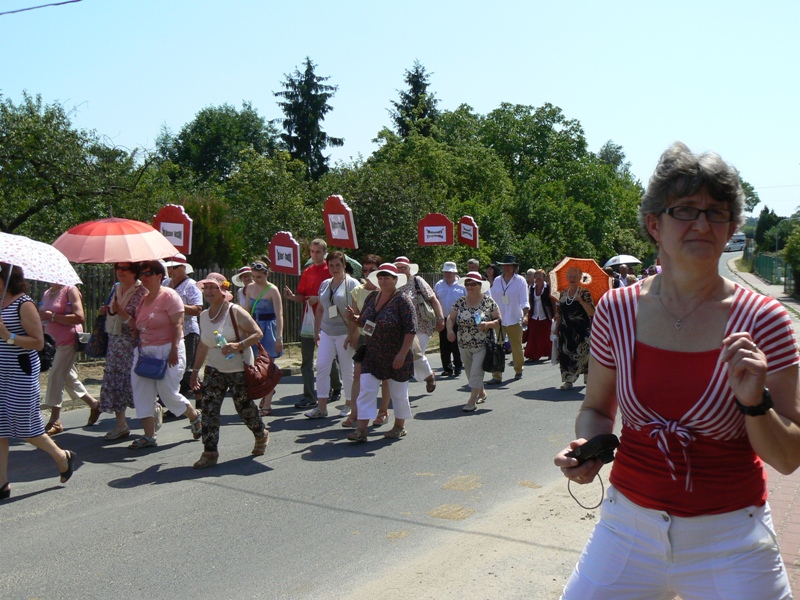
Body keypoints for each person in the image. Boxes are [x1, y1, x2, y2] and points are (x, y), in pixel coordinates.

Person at [554, 142, 800, 599]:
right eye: (685, 210)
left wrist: (755, 404)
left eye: (717, 212)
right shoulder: (616, 311)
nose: (702, 224)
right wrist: (590, 449)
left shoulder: (764, 320)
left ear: (731, 228)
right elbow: (596, 410)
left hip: (732, 538)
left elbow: (789, 457)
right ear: (654, 224)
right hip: (628, 526)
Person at [0, 263, 77, 501]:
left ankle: (62, 457)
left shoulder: (24, 304)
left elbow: (38, 342)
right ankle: (1, 484)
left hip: (20, 372)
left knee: (26, 427)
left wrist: (8, 336)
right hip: (1, 372)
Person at [189, 273, 269, 468]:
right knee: (209, 409)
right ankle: (209, 452)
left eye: (213, 287)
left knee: (244, 408)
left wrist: (237, 345)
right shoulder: (204, 316)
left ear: (223, 290)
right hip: (215, 369)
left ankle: (261, 434)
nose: (208, 291)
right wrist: (195, 371)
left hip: (239, 368)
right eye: (206, 287)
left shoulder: (235, 311)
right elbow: (203, 345)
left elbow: (257, 333)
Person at [128, 260, 201, 449]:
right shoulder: (143, 299)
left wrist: (174, 350)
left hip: (168, 349)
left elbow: (178, 324)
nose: (143, 277)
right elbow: (139, 325)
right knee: (142, 393)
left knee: (168, 393)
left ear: (159, 276)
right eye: (141, 274)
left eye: (148, 274)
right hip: (145, 351)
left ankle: (194, 415)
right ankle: (149, 436)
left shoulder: (170, 296)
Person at [345, 263, 416, 442]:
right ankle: (361, 429)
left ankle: (399, 426)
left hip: (396, 354)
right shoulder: (372, 297)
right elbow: (365, 322)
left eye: (387, 278)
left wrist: (402, 354)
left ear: (395, 280)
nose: (383, 281)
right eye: (381, 278)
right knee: (366, 389)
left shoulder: (403, 300)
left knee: (398, 392)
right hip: (373, 353)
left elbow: (410, 330)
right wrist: (354, 318)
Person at [284, 239, 342, 409]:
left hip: (327, 319)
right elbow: (302, 296)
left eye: (318, 251)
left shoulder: (330, 270)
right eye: (312, 251)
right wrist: (292, 297)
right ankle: (309, 395)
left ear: (324, 252)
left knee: (328, 358)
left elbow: (338, 293)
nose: (314, 255)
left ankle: (336, 386)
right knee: (307, 360)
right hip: (309, 321)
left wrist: (320, 298)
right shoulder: (307, 272)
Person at [38, 282, 101, 435]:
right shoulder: (47, 293)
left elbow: (79, 317)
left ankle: (55, 420)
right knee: (67, 377)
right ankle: (94, 404)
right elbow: (44, 319)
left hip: (68, 340)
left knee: (56, 376)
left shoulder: (70, 290)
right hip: (52, 342)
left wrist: (52, 316)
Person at [97, 262, 148, 440]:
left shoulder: (142, 292)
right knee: (115, 383)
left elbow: (141, 322)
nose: (120, 271)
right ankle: (121, 424)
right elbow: (112, 311)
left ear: (134, 272)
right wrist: (107, 311)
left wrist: (123, 314)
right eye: (118, 268)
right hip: (115, 342)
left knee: (135, 383)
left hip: (131, 344)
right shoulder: (116, 288)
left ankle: (151, 417)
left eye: (124, 268)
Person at [305, 251, 358, 419]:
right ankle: (321, 406)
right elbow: (321, 309)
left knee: (347, 369)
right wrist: (316, 332)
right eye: (331, 265)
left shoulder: (352, 283)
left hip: (344, 332)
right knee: (322, 367)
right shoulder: (325, 284)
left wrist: (352, 334)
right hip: (327, 331)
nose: (335, 268)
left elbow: (357, 311)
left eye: (338, 265)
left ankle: (349, 403)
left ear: (344, 265)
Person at [344, 255, 391, 428]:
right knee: (358, 375)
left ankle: (383, 411)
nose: (368, 273)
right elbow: (355, 318)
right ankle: (355, 413)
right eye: (365, 270)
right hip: (365, 338)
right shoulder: (358, 291)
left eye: (372, 270)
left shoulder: (386, 291)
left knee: (384, 377)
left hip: (384, 338)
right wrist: (351, 335)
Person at [446, 272, 501, 411]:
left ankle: (471, 401)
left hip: (482, 344)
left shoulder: (488, 301)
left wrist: (488, 324)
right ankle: (481, 392)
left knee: (476, 372)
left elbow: (499, 320)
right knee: (470, 372)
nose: (470, 286)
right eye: (467, 284)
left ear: (480, 285)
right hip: (463, 343)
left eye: (473, 284)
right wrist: (450, 330)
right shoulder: (460, 301)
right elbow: (451, 318)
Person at [395, 256, 445, 393]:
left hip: (421, 325)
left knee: (413, 355)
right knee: (409, 357)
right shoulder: (393, 282)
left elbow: (433, 299)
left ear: (409, 269)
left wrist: (440, 317)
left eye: (403, 267)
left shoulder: (417, 280)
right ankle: (428, 375)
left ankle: (403, 392)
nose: (400, 270)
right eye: (398, 268)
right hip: (401, 328)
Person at [245, 258, 284, 416]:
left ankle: (267, 404)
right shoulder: (249, 288)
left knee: (268, 367)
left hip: (269, 329)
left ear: (267, 274)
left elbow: (279, 315)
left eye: (259, 277)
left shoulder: (272, 290)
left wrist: (279, 337)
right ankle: (266, 391)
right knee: (254, 366)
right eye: (254, 276)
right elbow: (246, 311)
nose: (256, 280)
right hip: (254, 328)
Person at [163, 254, 203, 404]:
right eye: (168, 268)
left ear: (183, 268)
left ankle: (186, 401)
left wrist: (177, 305)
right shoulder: (165, 283)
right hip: (169, 331)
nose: (170, 270)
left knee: (186, 369)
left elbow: (198, 309)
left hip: (188, 332)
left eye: (174, 267)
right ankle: (195, 397)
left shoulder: (191, 285)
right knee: (173, 368)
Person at [488, 254, 529, 383]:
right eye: (504, 266)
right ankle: (496, 375)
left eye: (509, 266)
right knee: (497, 346)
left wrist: (526, 315)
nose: (506, 268)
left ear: (514, 267)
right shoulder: (497, 280)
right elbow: (492, 298)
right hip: (499, 319)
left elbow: (524, 300)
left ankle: (518, 369)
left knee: (516, 347)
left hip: (515, 318)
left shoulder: (520, 280)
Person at [555, 266, 595, 390]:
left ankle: (587, 375)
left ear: (579, 278)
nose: (572, 279)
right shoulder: (563, 294)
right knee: (565, 355)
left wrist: (581, 301)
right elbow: (559, 313)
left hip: (581, 330)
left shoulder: (584, 293)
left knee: (584, 354)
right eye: (570, 276)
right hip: (565, 331)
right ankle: (568, 381)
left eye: (575, 276)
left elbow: (592, 312)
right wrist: (556, 328)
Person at [434, 261, 465, 377]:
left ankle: (458, 366)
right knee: (444, 344)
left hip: (458, 318)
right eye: (446, 272)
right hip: (443, 318)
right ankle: (447, 368)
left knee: (456, 343)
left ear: (455, 272)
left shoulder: (462, 285)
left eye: (450, 272)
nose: (448, 274)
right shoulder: (439, 285)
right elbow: (435, 300)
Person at [524, 269, 556, 362]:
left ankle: (550, 353)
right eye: (536, 275)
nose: (538, 277)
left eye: (540, 275)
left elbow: (552, 301)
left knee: (547, 336)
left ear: (544, 277)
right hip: (534, 315)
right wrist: (527, 314)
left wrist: (555, 314)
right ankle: (533, 355)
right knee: (533, 335)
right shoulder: (532, 288)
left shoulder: (548, 287)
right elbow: (530, 301)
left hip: (546, 315)